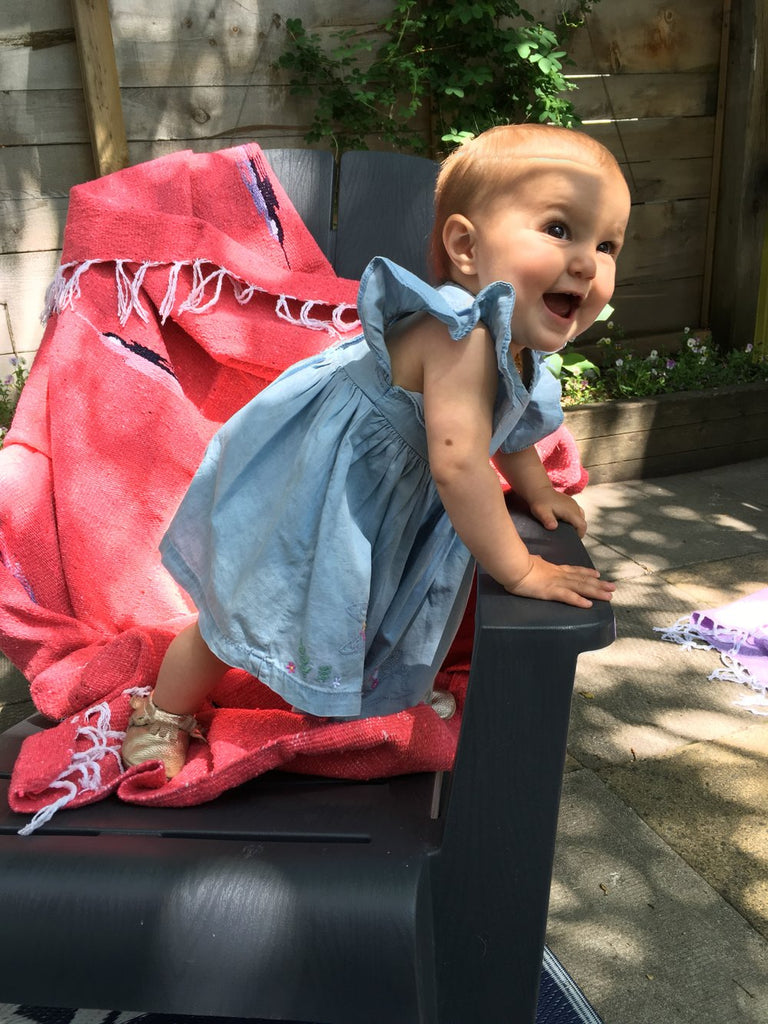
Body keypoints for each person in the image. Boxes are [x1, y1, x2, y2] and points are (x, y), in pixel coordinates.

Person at [122, 123, 631, 779]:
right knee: (244, 611)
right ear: (466, 247)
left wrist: (535, 488)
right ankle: (165, 710)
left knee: (373, 602)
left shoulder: (513, 343)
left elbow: (514, 428)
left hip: (382, 498)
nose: (588, 262)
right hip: (320, 488)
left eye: (608, 243)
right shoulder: (461, 332)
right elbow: (457, 461)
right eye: (560, 230)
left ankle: (362, 697)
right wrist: (523, 571)